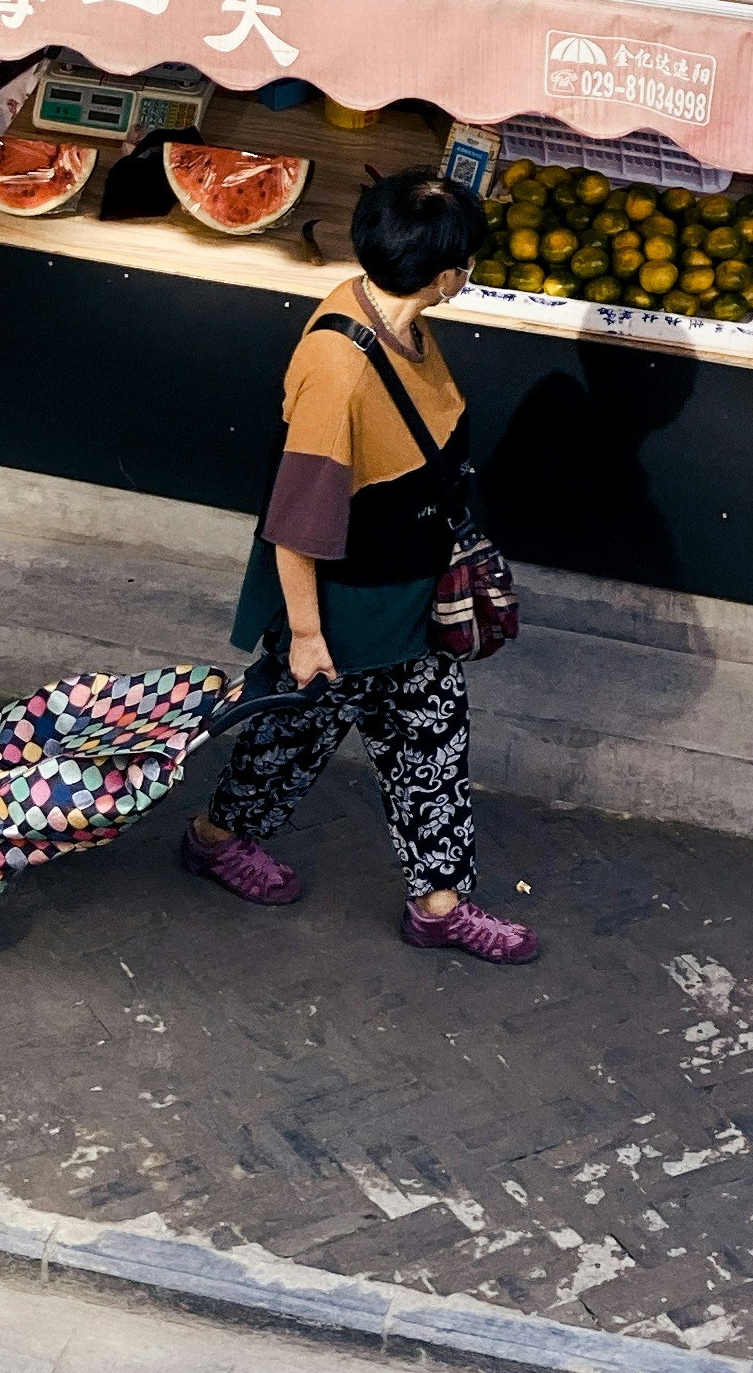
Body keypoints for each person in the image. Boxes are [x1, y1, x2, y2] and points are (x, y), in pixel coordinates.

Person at [182, 167, 538, 965]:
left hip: (401, 589)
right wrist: (307, 636)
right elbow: (295, 525)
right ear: (446, 276)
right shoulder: (337, 369)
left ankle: (435, 904)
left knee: (407, 737)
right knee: (305, 735)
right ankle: (218, 840)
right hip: (347, 608)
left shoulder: (391, 314)